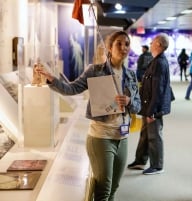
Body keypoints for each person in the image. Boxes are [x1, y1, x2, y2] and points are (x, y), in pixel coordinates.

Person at [37, 31, 141, 201]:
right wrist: (52, 80)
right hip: (101, 137)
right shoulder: (95, 71)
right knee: (103, 190)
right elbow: (72, 89)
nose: (123, 48)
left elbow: (137, 107)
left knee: (114, 187)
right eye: (119, 44)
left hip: (122, 136)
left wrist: (129, 101)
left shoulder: (130, 75)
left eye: (127, 44)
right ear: (109, 47)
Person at [127, 33, 173, 175]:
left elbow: (158, 89)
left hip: (154, 107)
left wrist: (152, 111)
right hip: (149, 106)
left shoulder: (159, 63)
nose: (151, 44)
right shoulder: (156, 61)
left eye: (153, 42)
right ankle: (140, 160)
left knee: (154, 136)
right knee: (145, 134)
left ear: (158, 44)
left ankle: (157, 166)